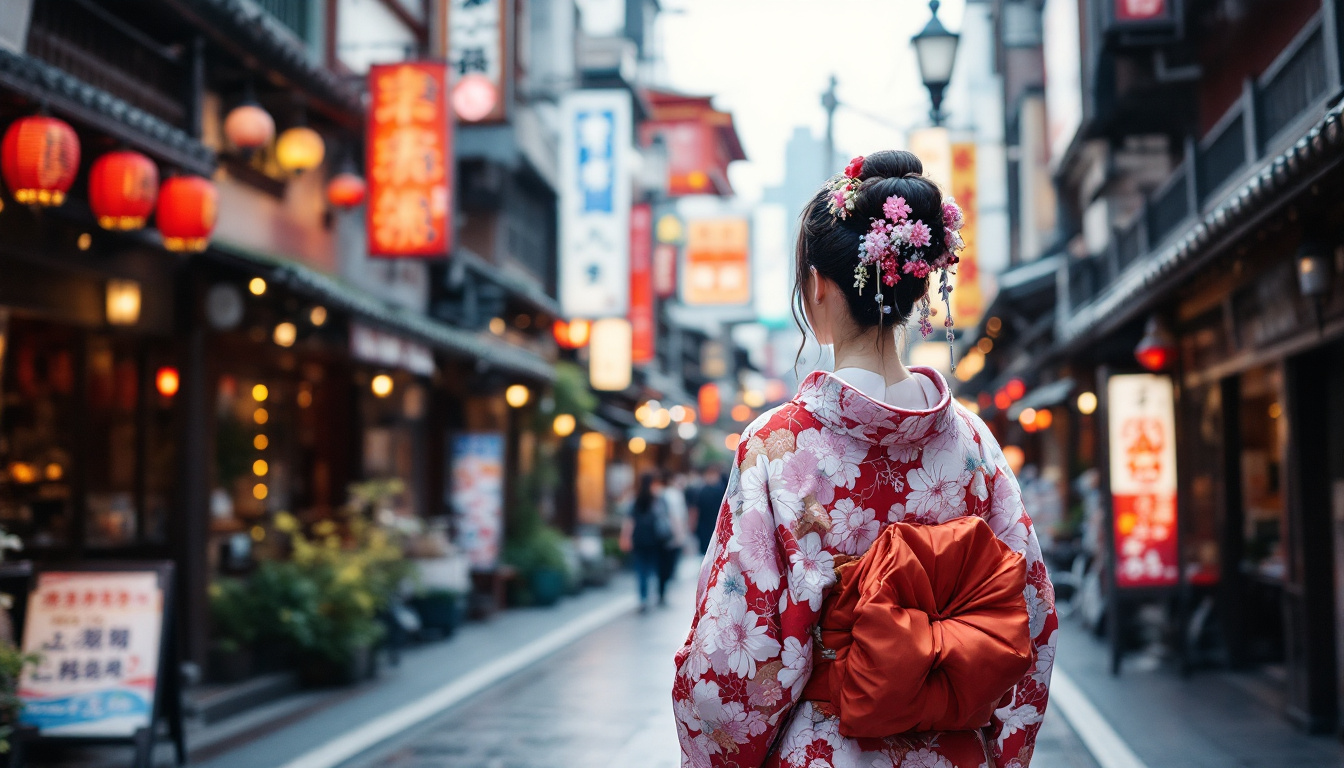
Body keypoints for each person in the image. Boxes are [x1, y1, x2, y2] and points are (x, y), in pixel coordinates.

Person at [672, 151, 1056, 767]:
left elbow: (731, 668)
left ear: (818, 284)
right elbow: (1029, 618)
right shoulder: (975, 447)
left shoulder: (779, 445)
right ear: (918, 283)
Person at [621, 472, 672, 610]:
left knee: (641, 569)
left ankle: (643, 597)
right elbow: (666, 518)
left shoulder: (635, 499)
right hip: (655, 539)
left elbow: (629, 521)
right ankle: (653, 595)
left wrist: (626, 537)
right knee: (652, 568)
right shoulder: (658, 500)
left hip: (639, 539)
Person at [658, 470, 690, 592]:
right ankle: (665, 584)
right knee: (669, 561)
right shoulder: (674, 495)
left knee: (664, 561)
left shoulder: (664, 493)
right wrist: (680, 534)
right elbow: (677, 516)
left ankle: (663, 586)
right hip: (672, 532)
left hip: (664, 532)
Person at [692, 466, 727, 553]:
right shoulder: (722, 491)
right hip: (712, 525)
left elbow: (695, 510)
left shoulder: (702, 490)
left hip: (710, 525)